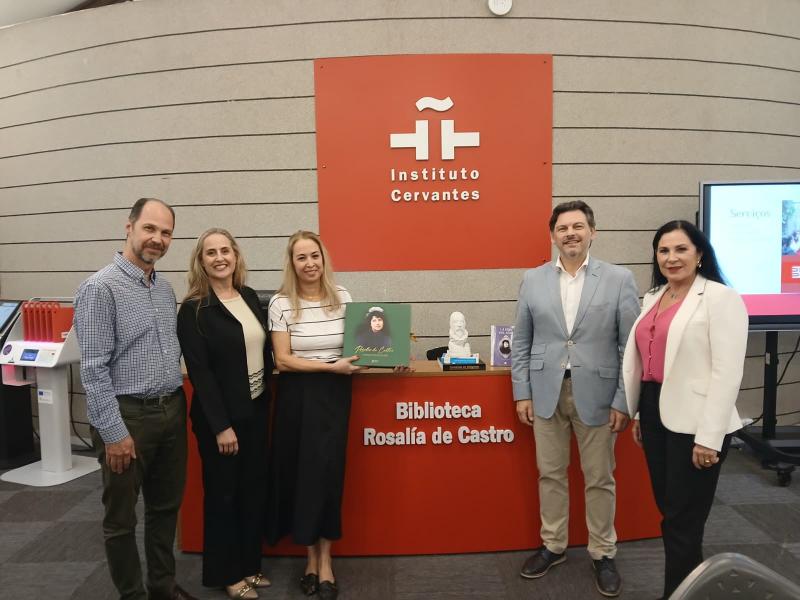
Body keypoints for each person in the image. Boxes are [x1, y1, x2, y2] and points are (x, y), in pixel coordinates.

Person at [511, 200, 640, 598]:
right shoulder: (533, 280)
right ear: (552, 236)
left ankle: (603, 553)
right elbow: (521, 341)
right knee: (550, 474)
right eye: (563, 227)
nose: (570, 233)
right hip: (545, 392)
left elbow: (629, 346)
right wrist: (522, 393)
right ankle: (554, 545)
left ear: (592, 232)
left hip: (599, 395)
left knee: (599, 477)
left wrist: (623, 399)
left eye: (578, 226)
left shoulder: (618, 279)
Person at [74, 198, 197, 600]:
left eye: (165, 232)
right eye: (150, 229)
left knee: (164, 511)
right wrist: (113, 432)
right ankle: (133, 595)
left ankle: (161, 587)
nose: (157, 239)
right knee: (121, 519)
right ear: (128, 227)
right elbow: (92, 368)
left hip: (171, 411)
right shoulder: (99, 288)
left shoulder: (163, 289)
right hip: (127, 418)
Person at [622, 220, 747, 599]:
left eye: (681, 249)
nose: (671, 258)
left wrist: (709, 438)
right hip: (655, 411)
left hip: (697, 424)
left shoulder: (720, 298)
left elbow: (727, 373)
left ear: (700, 254)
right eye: (663, 251)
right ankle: (691, 589)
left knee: (683, 520)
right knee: (673, 514)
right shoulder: (655, 296)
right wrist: (641, 415)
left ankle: (677, 594)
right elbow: (648, 361)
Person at [177, 229, 273, 600]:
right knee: (223, 496)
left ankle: (250, 565)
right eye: (210, 252)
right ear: (201, 262)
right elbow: (201, 374)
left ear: (236, 255)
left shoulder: (248, 297)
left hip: (256, 409)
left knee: (252, 491)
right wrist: (221, 426)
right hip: (222, 422)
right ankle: (227, 573)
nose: (220, 257)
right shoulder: (194, 309)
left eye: (225, 250)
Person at [265, 230, 360, 600]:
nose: (310, 263)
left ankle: (326, 561)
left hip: (335, 397)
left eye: (315, 256)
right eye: (301, 257)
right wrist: (329, 368)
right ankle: (310, 559)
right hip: (297, 398)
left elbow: (359, 348)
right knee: (303, 476)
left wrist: (385, 357)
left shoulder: (344, 298)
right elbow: (282, 359)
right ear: (292, 263)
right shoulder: (280, 303)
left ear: (324, 259)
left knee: (329, 476)